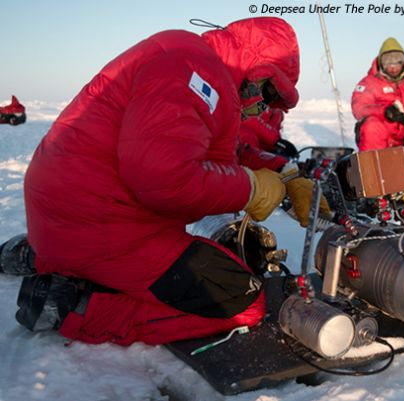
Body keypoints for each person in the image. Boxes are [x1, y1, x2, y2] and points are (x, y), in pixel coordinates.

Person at [9, 17, 327, 346]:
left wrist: (283, 173)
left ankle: (38, 255)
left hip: (65, 212)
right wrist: (250, 189)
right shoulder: (195, 71)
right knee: (239, 299)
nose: (263, 107)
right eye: (269, 93)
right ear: (256, 70)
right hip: (101, 225)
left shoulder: (194, 63)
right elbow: (163, 175)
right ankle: (74, 307)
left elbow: (223, 152)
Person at [351, 37, 404, 167]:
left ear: (403, 62)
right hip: (376, 143)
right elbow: (359, 108)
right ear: (380, 62)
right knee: (372, 126)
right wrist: (385, 111)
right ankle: (372, 172)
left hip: (400, 143)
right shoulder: (369, 83)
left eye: (397, 61)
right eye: (387, 62)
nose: (393, 67)